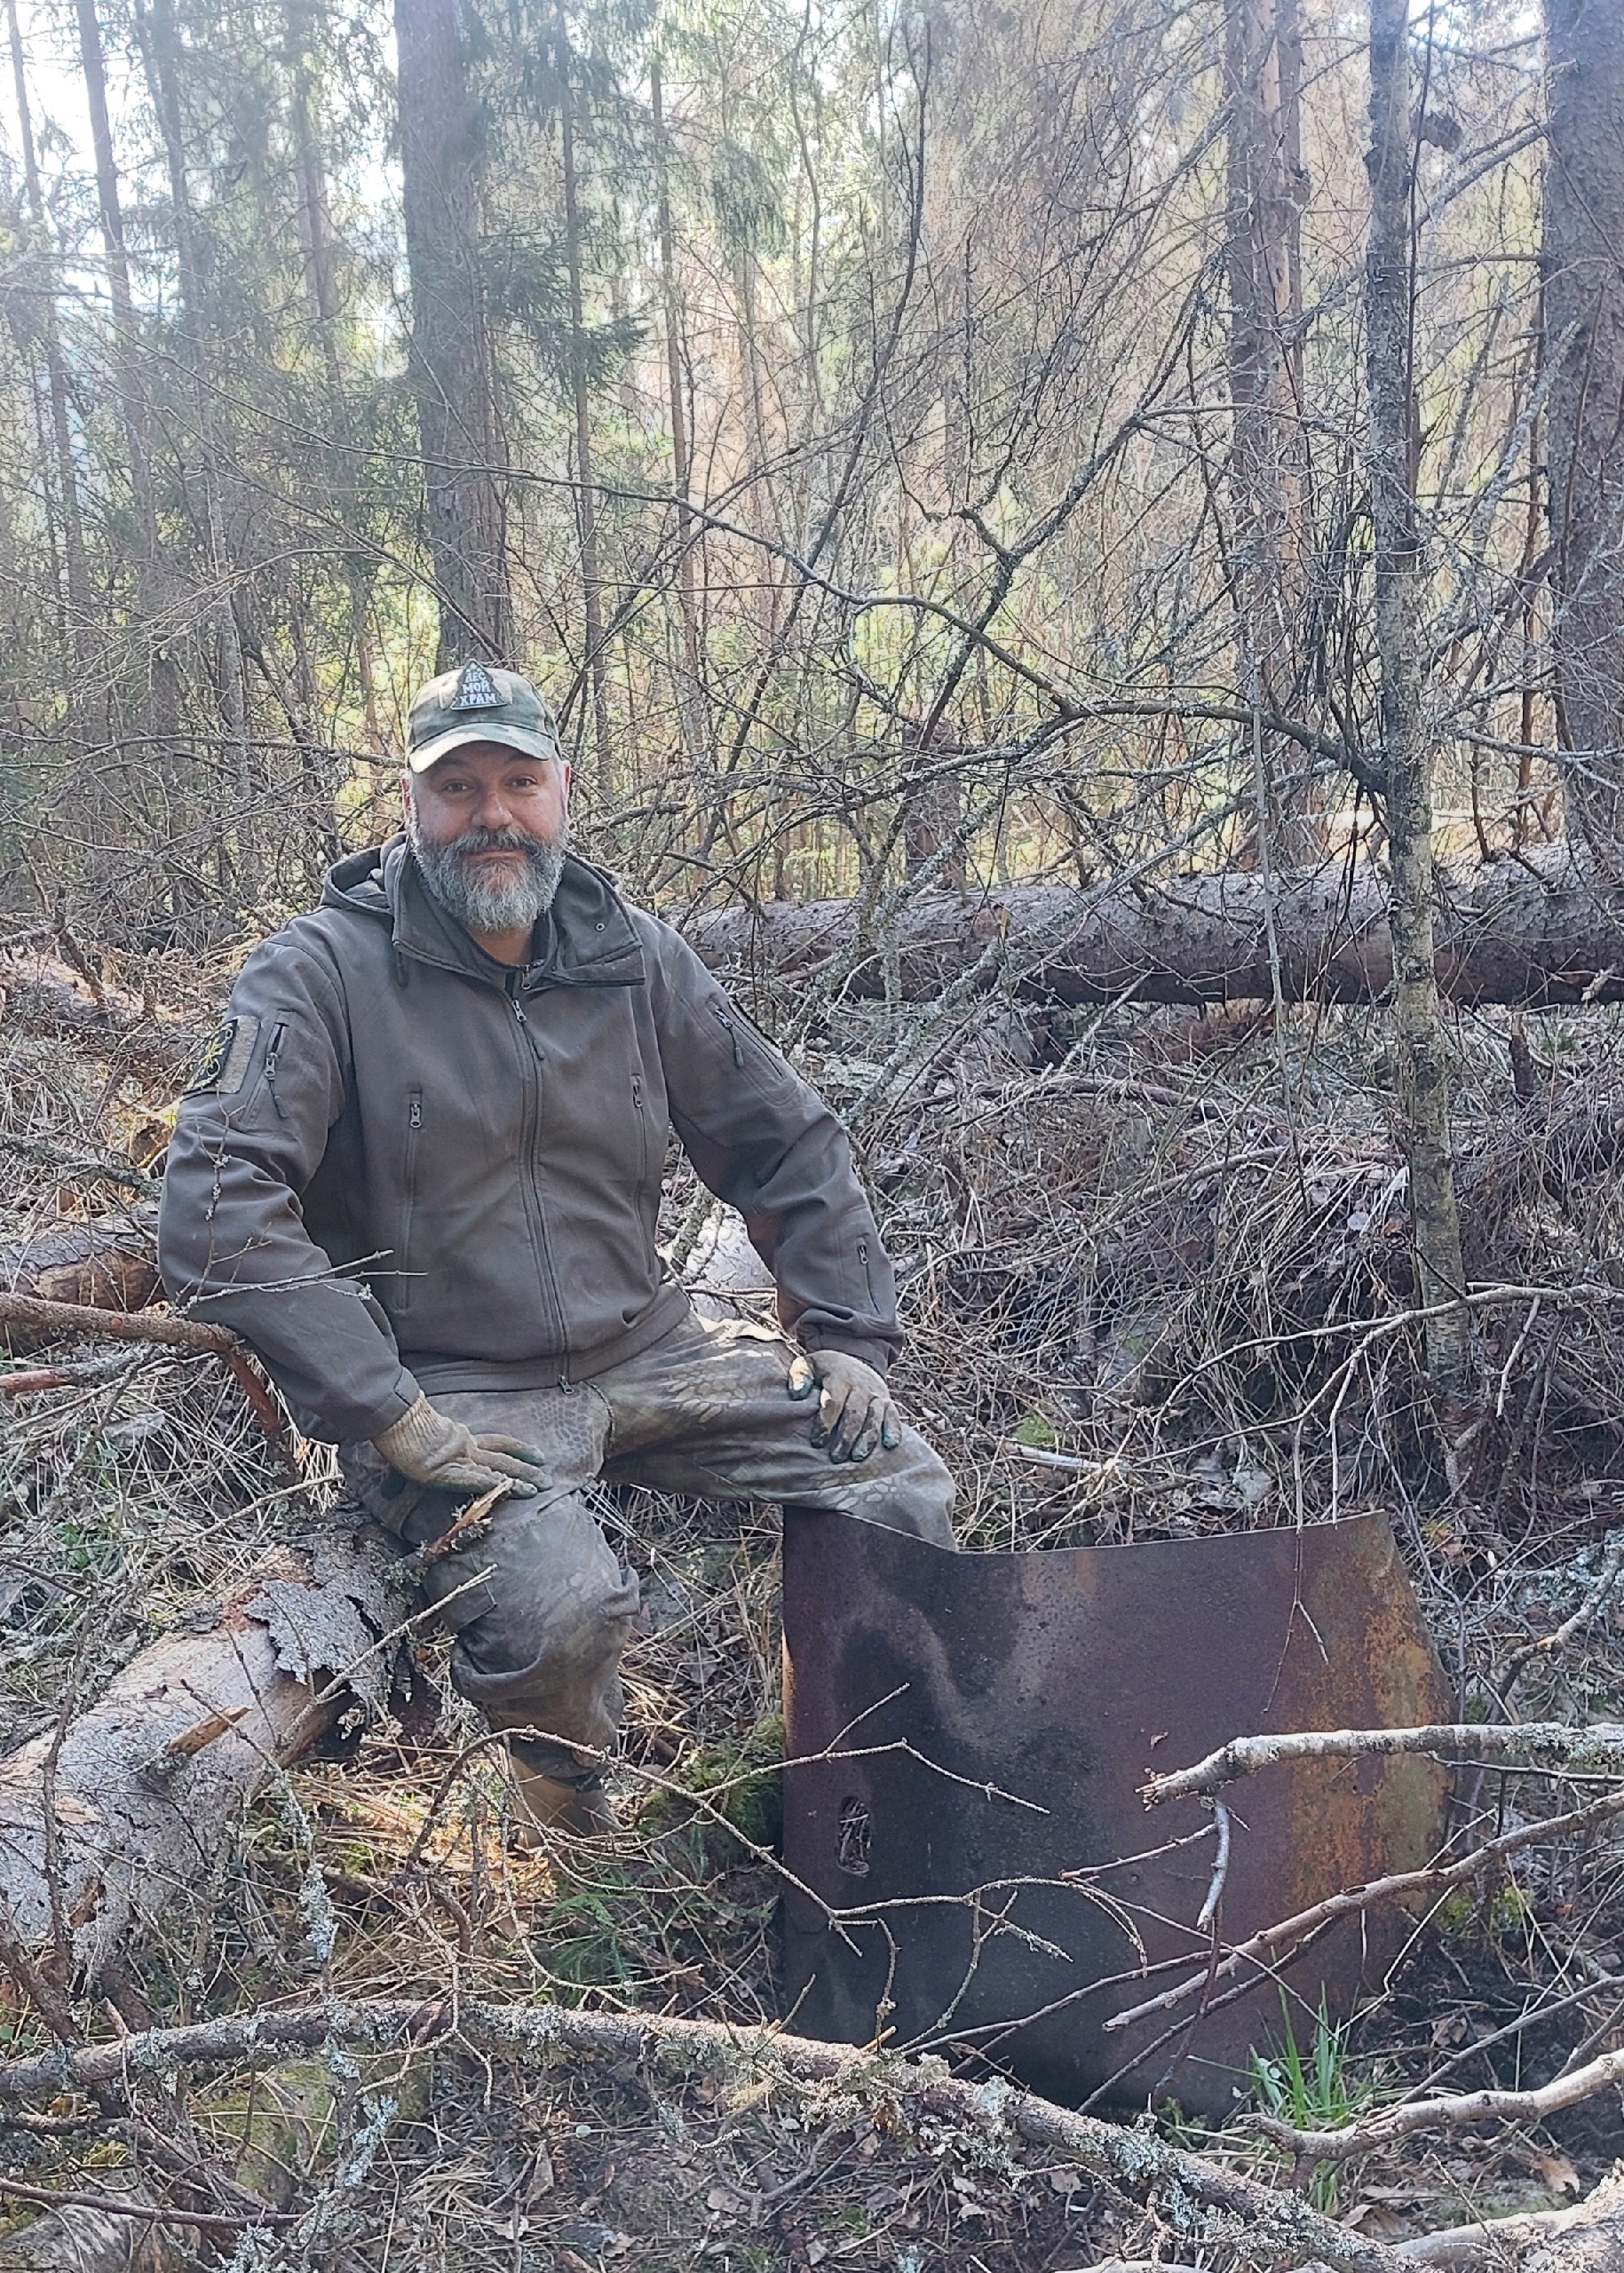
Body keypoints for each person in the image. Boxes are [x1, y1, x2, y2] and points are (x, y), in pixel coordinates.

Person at [158, 662, 956, 1836]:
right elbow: (216, 1199)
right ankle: (570, 1806)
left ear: (561, 791)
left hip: (651, 1347)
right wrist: (384, 1408)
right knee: (561, 1613)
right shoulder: (320, 971)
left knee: (894, 1477)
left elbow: (781, 1133)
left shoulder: (628, 953)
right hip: (455, 1389)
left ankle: (862, 1783)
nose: (492, 813)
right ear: (411, 806)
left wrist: (843, 1333)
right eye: (459, 787)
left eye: (517, 782)